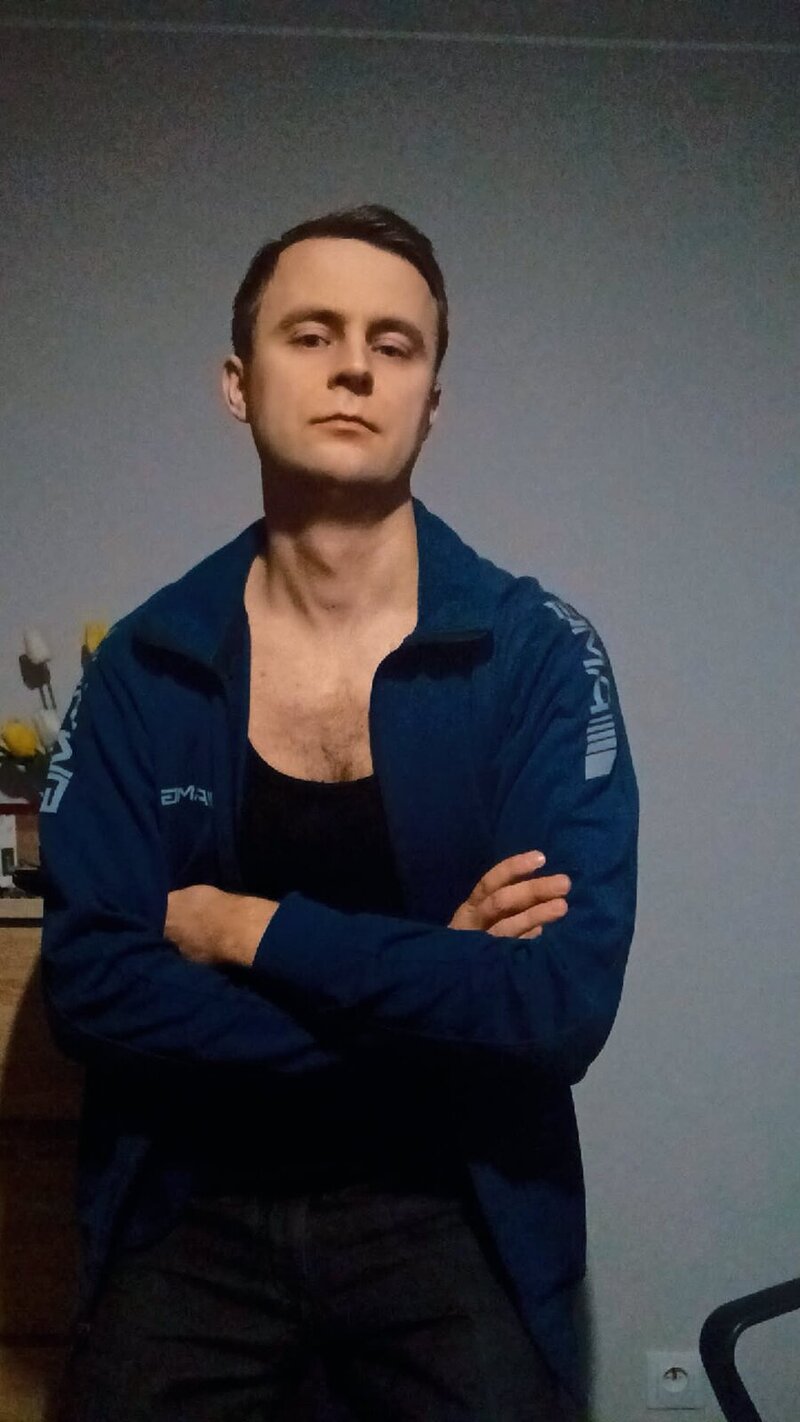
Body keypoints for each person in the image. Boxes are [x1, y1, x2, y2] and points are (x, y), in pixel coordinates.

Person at [39, 203, 638, 1421]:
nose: (354, 366)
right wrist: (435, 986)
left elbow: (554, 1002)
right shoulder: (144, 665)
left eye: (392, 343)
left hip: (454, 1203)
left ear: (430, 401)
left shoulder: (535, 655)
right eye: (311, 333)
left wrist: (248, 927)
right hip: (190, 1202)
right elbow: (93, 987)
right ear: (238, 383)